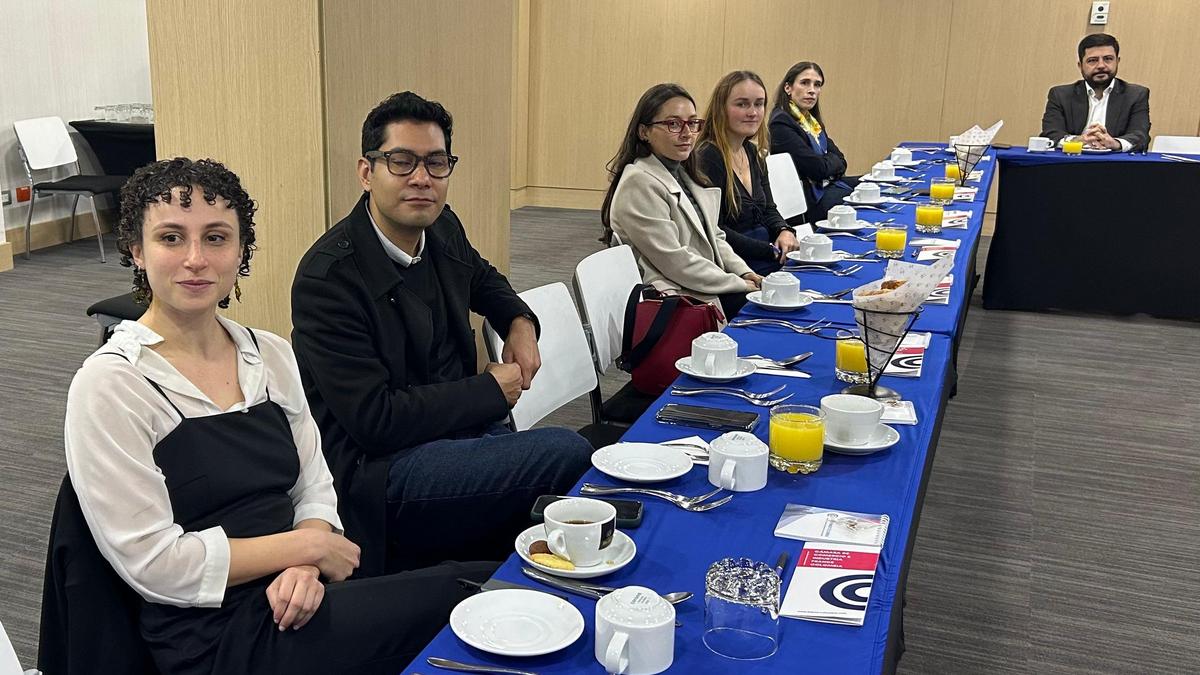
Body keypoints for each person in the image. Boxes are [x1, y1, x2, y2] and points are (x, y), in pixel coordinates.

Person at [64, 157, 495, 674]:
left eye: (216, 238)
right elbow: (156, 564)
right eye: (171, 238)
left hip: (298, 591)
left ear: (240, 250)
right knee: (472, 604)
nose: (196, 259)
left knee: (484, 586)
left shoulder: (266, 353)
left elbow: (314, 484)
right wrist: (306, 546)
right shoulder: (113, 384)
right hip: (211, 635)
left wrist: (305, 563)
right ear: (137, 250)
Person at [291, 92, 592, 576]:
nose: (421, 178)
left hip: (459, 429)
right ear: (367, 172)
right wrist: (488, 391)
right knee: (567, 453)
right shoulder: (328, 279)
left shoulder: (441, 226)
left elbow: (484, 279)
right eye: (401, 161)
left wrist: (519, 321)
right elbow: (375, 421)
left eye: (435, 163)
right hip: (383, 470)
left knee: (565, 495)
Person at [601, 82, 760, 318]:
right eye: (673, 124)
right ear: (644, 132)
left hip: (705, 285)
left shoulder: (685, 174)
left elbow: (715, 237)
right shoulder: (639, 183)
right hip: (678, 300)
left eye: (692, 123)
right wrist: (737, 283)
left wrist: (744, 272)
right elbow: (675, 261)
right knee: (770, 314)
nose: (687, 133)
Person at [696, 71, 798, 275]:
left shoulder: (752, 152)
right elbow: (716, 230)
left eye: (759, 104)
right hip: (736, 266)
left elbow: (769, 209)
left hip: (768, 254)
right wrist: (770, 251)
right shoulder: (708, 157)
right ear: (721, 109)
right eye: (742, 104)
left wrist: (784, 230)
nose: (753, 112)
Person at [769, 61, 859, 222]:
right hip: (810, 201)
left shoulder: (810, 121)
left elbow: (841, 160)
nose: (812, 90)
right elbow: (818, 169)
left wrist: (828, 164)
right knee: (863, 201)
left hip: (827, 186)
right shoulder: (780, 123)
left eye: (817, 85)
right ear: (788, 88)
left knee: (871, 184)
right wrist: (830, 163)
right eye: (805, 83)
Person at [1040, 33, 1150, 152]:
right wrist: (1078, 140)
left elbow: (1140, 137)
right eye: (1092, 60)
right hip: (1071, 159)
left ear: (1117, 61)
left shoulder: (1136, 95)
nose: (1101, 65)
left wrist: (1114, 143)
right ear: (1080, 66)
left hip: (1114, 161)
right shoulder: (1060, 95)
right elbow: (1050, 134)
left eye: (1108, 59)